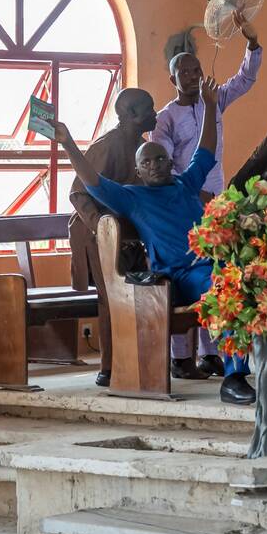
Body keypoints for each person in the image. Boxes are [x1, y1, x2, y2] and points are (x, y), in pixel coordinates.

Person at [53, 76, 256, 406]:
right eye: (146, 162)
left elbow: (206, 149)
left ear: (169, 162)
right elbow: (90, 182)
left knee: (254, 279)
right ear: (139, 170)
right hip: (179, 276)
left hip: (212, 265)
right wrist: (67, 144)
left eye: (160, 159)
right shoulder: (132, 198)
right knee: (226, 290)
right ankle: (234, 377)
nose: (154, 166)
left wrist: (207, 104)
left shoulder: (185, 183)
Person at [151, 20, 262, 377]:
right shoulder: (166, 117)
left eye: (195, 69)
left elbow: (244, 80)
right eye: (183, 72)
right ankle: (181, 358)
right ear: (173, 80)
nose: (191, 75)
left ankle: (211, 353)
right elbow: (160, 162)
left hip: (218, 202)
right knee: (188, 274)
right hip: (186, 203)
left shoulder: (213, 100)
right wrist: (188, 187)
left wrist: (253, 43)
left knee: (214, 273)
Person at [67, 88, 157, 387]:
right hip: (96, 233)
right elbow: (78, 193)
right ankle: (109, 367)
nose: (155, 113)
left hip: (130, 235)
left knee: (136, 294)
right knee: (111, 297)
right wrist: (101, 229)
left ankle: (137, 362)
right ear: (130, 115)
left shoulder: (142, 147)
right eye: (149, 108)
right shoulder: (107, 146)